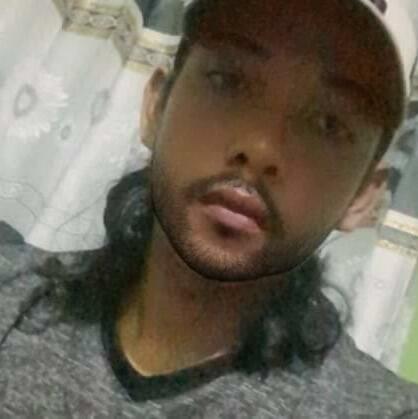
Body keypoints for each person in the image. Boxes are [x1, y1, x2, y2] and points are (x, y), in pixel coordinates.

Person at [1, 0, 418, 417]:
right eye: (228, 81)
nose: (261, 149)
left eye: (329, 123)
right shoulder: (12, 297)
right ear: (156, 106)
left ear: (362, 197)